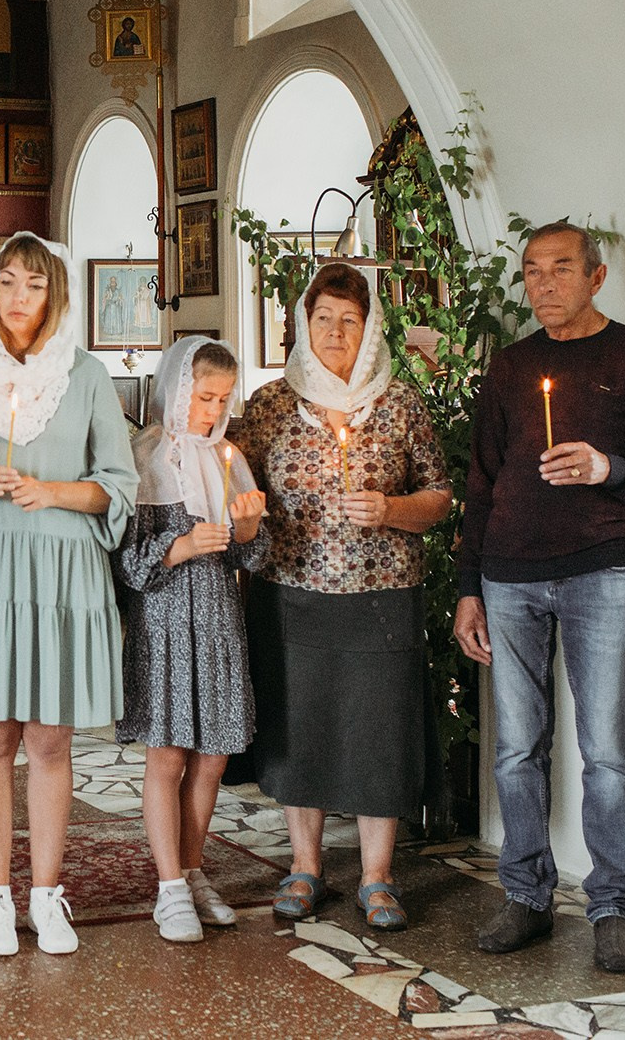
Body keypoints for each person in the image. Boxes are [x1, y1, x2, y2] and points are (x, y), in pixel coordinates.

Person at [453, 223, 625, 973]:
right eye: (531, 271)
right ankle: (525, 894)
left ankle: (613, 908)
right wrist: (469, 588)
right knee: (518, 748)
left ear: (596, 276)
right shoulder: (512, 365)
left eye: (561, 268)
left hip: (603, 572)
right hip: (509, 573)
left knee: (607, 752)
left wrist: (607, 467)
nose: (544, 283)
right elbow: (482, 482)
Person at [0, 233, 138, 958]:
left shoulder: (86, 374)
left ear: (56, 294)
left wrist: (54, 491)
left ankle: (46, 894)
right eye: (5, 282)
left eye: (32, 285)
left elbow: (118, 484)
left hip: (60, 568)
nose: (15, 298)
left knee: (48, 737)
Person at [228, 263, 452, 933]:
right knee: (303, 730)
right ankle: (306, 865)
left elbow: (439, 497)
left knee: (379, 733)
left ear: (369, 328)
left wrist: (389, 507)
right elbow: (230, 480)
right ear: (303, 323)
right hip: (291, 594)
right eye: (322, 317)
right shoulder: (270, 405)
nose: (333, 331)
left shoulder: (400, 404)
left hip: (384, 596)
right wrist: (237, 506)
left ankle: (377, 875)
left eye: (347, 320)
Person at [112, 337, 270, 943]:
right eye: (204, 397)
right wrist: (177, 548)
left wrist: (250, 527)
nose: (213, 411)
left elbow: (253, 556)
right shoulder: (145, 456)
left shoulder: (228, 458)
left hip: (220, 620)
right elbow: (125, 563)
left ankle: (194, 868)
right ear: (178, 390)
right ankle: (168, 887)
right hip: (165, 623)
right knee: (169, 754)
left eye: (223, 400)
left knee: (212, 757)